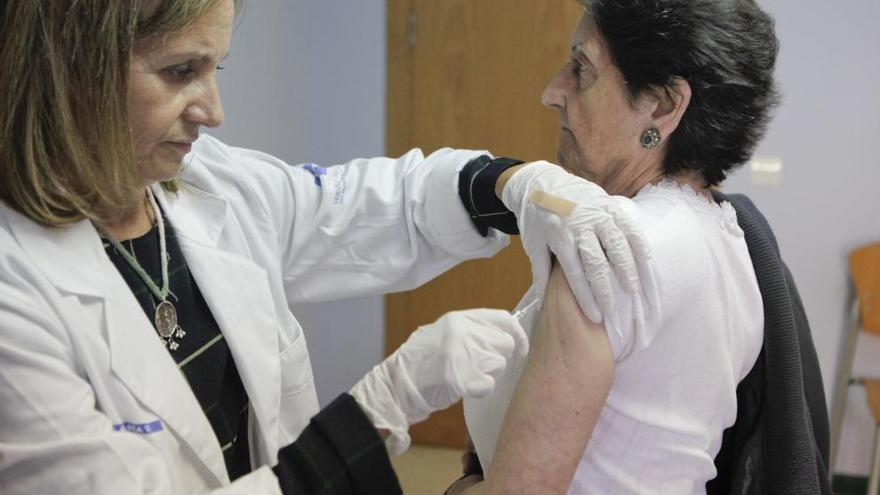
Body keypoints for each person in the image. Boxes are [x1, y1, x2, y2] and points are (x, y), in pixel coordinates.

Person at [0, 0, 651, 493]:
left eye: (215, 68)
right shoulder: (16, 292)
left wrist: (513, 185)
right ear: (72, 70)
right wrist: (376, 412)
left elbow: (357, 204)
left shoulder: (205, 185)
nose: (214, 110)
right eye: (180, 72)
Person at [450, 0, 827, 493]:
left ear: (664, 106)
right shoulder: (730, 239)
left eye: (581, 69)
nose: (552, 91)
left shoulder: (608, 249)